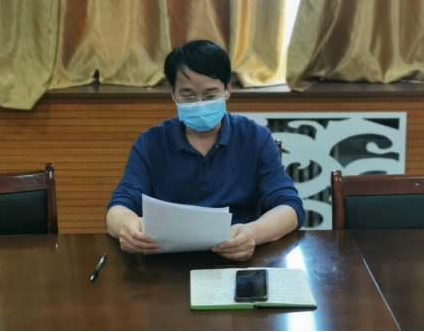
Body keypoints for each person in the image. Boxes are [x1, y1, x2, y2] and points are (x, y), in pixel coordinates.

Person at [106, 40, 304, 261]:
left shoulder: (255, 137)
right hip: (166, 262)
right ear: (173, 93)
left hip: (239, 257)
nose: (199, 104)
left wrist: (253, 233)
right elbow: (120, 205)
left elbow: (289, 206)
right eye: (188, 96)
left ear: (227, 90)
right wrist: (127, 225)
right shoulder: (151, 142)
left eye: (210, 95)